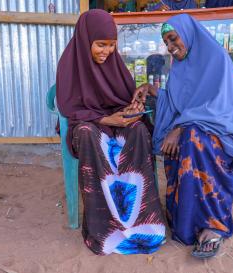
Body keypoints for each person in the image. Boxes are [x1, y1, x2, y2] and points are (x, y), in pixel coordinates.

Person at [133, 14, 233, 259]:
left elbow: (219, 106)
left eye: (173, 39)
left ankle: (212, 224)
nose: (171, 47)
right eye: (166, 43)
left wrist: (180, 127)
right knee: (185, 140)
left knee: (194, 139)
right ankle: (185, 220)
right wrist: (153, 90)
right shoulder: (179, 68)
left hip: (224, 128)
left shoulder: (217, 58)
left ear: (187, 34)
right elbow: (179, 103)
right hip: (197, 127)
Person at [56, 9, 166, 255]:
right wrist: (105, 118)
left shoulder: (115, 65)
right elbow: (68, 108)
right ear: (86, 41)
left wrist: (132, 109)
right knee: (87, 133)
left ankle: (141, 220)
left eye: (112, 45)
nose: (107, 51)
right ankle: (104, 226)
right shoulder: (68, 64)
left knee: (138, 129)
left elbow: (122, 99)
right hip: (85, 124)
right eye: (100, 45)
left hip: (116, 123)